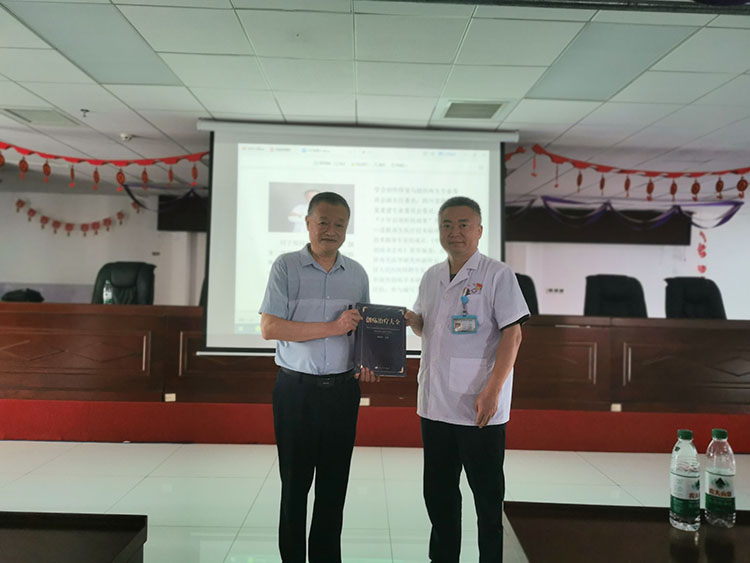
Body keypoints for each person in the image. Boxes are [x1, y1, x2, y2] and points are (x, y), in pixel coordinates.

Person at [405, 196, 529, 563]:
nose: (454, 232)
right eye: (446, 225)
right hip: (435, 406)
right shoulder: (431, 275)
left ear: (479, 230)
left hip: (479, 405)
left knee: (487, 499)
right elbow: (427, 327)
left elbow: (513, 335)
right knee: (439, 495)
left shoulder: (497, 274)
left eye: (463, 225)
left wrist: (493, 391)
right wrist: (411, 321)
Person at [259, 191, 376, 563]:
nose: (331, 230)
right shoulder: (286, 267)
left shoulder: (357, 274)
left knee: (333, 489)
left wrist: (369, 359)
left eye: (340, 224)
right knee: (294, 488)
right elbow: (270, 327)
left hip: (342, 392)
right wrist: (332, 327)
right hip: (296, 391)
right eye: (323, 222)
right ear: (308, 223)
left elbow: (362, 331)